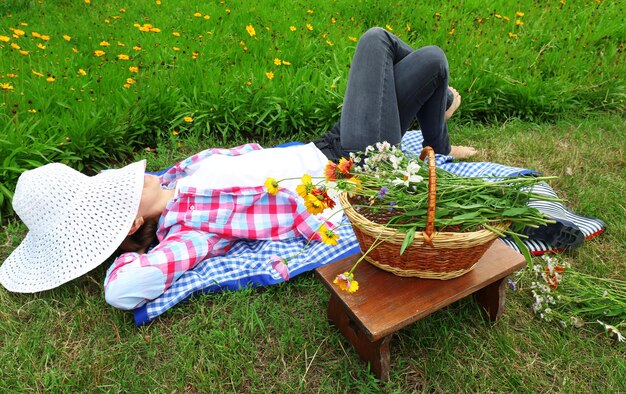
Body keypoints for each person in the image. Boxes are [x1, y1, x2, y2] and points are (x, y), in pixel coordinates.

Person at [0, 27, 474, 303]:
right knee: (376, 40)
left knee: (432, 60)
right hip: (351, 170)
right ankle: (438, 132)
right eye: (123, 191)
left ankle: (439, 142)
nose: (133, 173)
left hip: (328, 144)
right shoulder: (188, 229)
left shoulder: (179, 174)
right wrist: (121, 250)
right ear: (131, 220)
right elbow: (125, 289)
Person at [314, 27, 476, 161]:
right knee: (431, 59)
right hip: (358, 157)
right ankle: (440, 108)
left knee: (376, 38)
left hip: (337, 136)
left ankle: (439, 101)